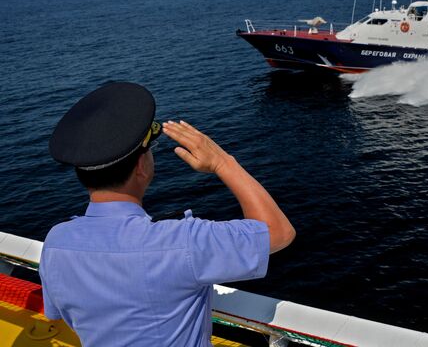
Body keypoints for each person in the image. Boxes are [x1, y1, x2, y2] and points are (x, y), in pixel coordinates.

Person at [40, 82, 295, 346]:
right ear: (141, 166)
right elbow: (278, 232)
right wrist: (222, 162)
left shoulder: (56, 242)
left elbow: (59, 314)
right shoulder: (179, 242)